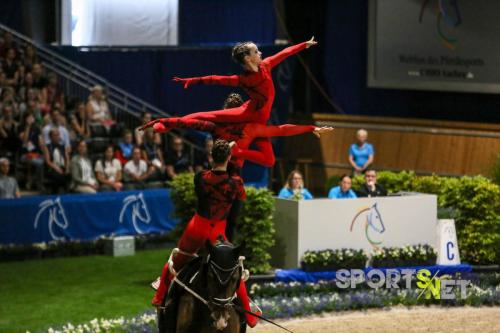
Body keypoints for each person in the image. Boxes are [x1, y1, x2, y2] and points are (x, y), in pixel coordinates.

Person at [151, 139, 261, 327]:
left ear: (211, 156)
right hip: (217, 235)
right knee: (234, 270)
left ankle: (160, 297)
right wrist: (233, 161)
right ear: (229, 157)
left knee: (175, 261)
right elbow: (241, 196)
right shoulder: (236, 183)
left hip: (196, 229)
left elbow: (209, 182)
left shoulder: (200, 177)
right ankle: (249, 314)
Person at [172, 38, 318, 164]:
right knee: (211, 116)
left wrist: (304, 44)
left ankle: (236, 152)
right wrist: (192, 80)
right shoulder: (244, 80)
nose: (260, 53)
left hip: (261, 120)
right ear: (248, 58)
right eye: (256, 51)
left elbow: (285, 53)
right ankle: (172, 122)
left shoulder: (266, 65)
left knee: (269, 160)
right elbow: (217, 79)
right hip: (249, 114)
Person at [18, 111, 44, 190]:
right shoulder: (21, 127)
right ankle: (38, 184)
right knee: (39, 163)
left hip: (35, 154)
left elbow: (41, 143)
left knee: (43, 161)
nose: (30, 119)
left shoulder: (36, 128)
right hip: (24, 154)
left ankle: (31, 181)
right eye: (29, 117)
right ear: (25, 119)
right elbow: (24, 140)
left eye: (32, 117)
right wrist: (28, 126)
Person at [42, 128, 70, 194]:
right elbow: (48, 161)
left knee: (68, 174)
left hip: (62, 167)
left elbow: (67, 158)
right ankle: (56, 193)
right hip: (52, 168)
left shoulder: (63, 146)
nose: (57, 137)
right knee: (58, 175)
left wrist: (67, 168)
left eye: (58, 135)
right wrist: (56, 168)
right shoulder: (47, 147)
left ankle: (67, 193)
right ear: (50, 137)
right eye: (55, 135)